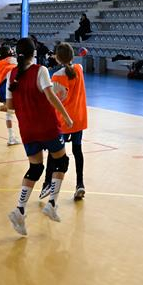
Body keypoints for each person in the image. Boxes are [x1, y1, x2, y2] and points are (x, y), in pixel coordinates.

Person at [3, 37, 73, 236]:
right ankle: (51, 203)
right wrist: (67, 117)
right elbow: (51, 97)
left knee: (36, 168)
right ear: (34, 53)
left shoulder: (12, 75)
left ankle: (20, 210)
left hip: (27, 130)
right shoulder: (40, 70)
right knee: (62, 162)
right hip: (47, 127)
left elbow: (10, 107)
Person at [39, 43, 89, 202]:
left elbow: (56, 99)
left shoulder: (57, 76)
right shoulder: (79, 69)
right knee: (77, 151)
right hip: (79, 119)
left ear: (57, 57)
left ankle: (47, 183)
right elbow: (75, 65)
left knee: (55, 152)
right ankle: (80, 184)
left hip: (63, 120)